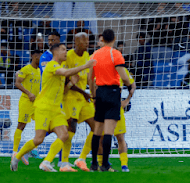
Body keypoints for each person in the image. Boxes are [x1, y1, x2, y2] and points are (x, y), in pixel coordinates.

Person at [10, 43, 95, 172]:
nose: (66, 52)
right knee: (38, 139)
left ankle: (46, 162)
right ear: (55, 52)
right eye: (63, 50)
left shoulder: (59, 67)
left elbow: (64, 91)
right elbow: (66, 72)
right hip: (43, 107)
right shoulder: (51, 65)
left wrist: (72, 83)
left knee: (64, 134)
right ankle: (17, 156)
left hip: (55, 109)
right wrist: (85, 66)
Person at [88, 29, 134, 172]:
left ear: (102, 39)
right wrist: (130, 86)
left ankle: (94, 163)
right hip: (113, 92)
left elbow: (90, 79)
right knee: (108, 132)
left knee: (97, 131)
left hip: (100, 92)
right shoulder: (115, 54)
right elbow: (123, 75)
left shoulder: (94, 55)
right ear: (114, 39)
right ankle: (105, 165)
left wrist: (94, 96)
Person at [58, 32, 96, 172]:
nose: (87, 43)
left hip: (83, 97)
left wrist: (92, 94)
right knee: (71, 129)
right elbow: (65, 81)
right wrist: (84, 92)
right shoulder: (68, 57)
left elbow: (88, 78)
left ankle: (81, 159)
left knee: (96, 126)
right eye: (84, 41)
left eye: (87, 41)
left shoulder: (87, 56)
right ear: (76, 42)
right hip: (70, 97)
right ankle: (64, 162)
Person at [97, 67, 135, 172]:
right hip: (102, 108)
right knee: (101, 138)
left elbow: (132, 86)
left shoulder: (122, 70)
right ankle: (102, 165)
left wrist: (126, 100)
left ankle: (124, 165)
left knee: (120, 137)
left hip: (116, 108)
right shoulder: (100, 69)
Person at [12, 50, 42, 166]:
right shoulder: (26, 69)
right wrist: (29, 93)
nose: (41, 59)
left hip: (36, 103)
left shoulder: (39, 70)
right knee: (21, 125)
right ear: (34, 57)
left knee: (41, 125)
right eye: (40, 56)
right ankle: (15, 152)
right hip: (26, 101)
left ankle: (30, 150)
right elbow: (17, 83)